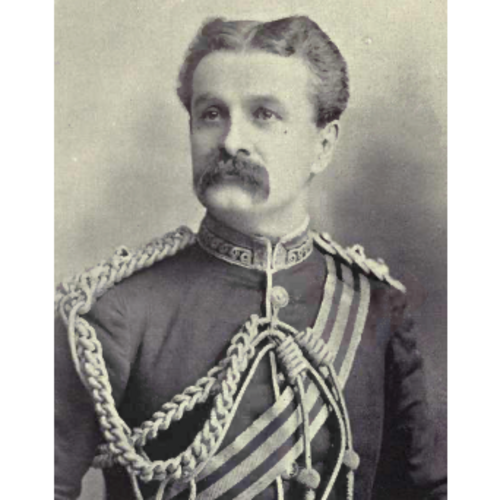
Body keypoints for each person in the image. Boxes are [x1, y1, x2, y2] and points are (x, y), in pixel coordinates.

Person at [55, 16, 447, 500]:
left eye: (263, 114)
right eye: (211, 113)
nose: (230, 140)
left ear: (322, 146)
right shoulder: (114, 314)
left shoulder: (375, 309)